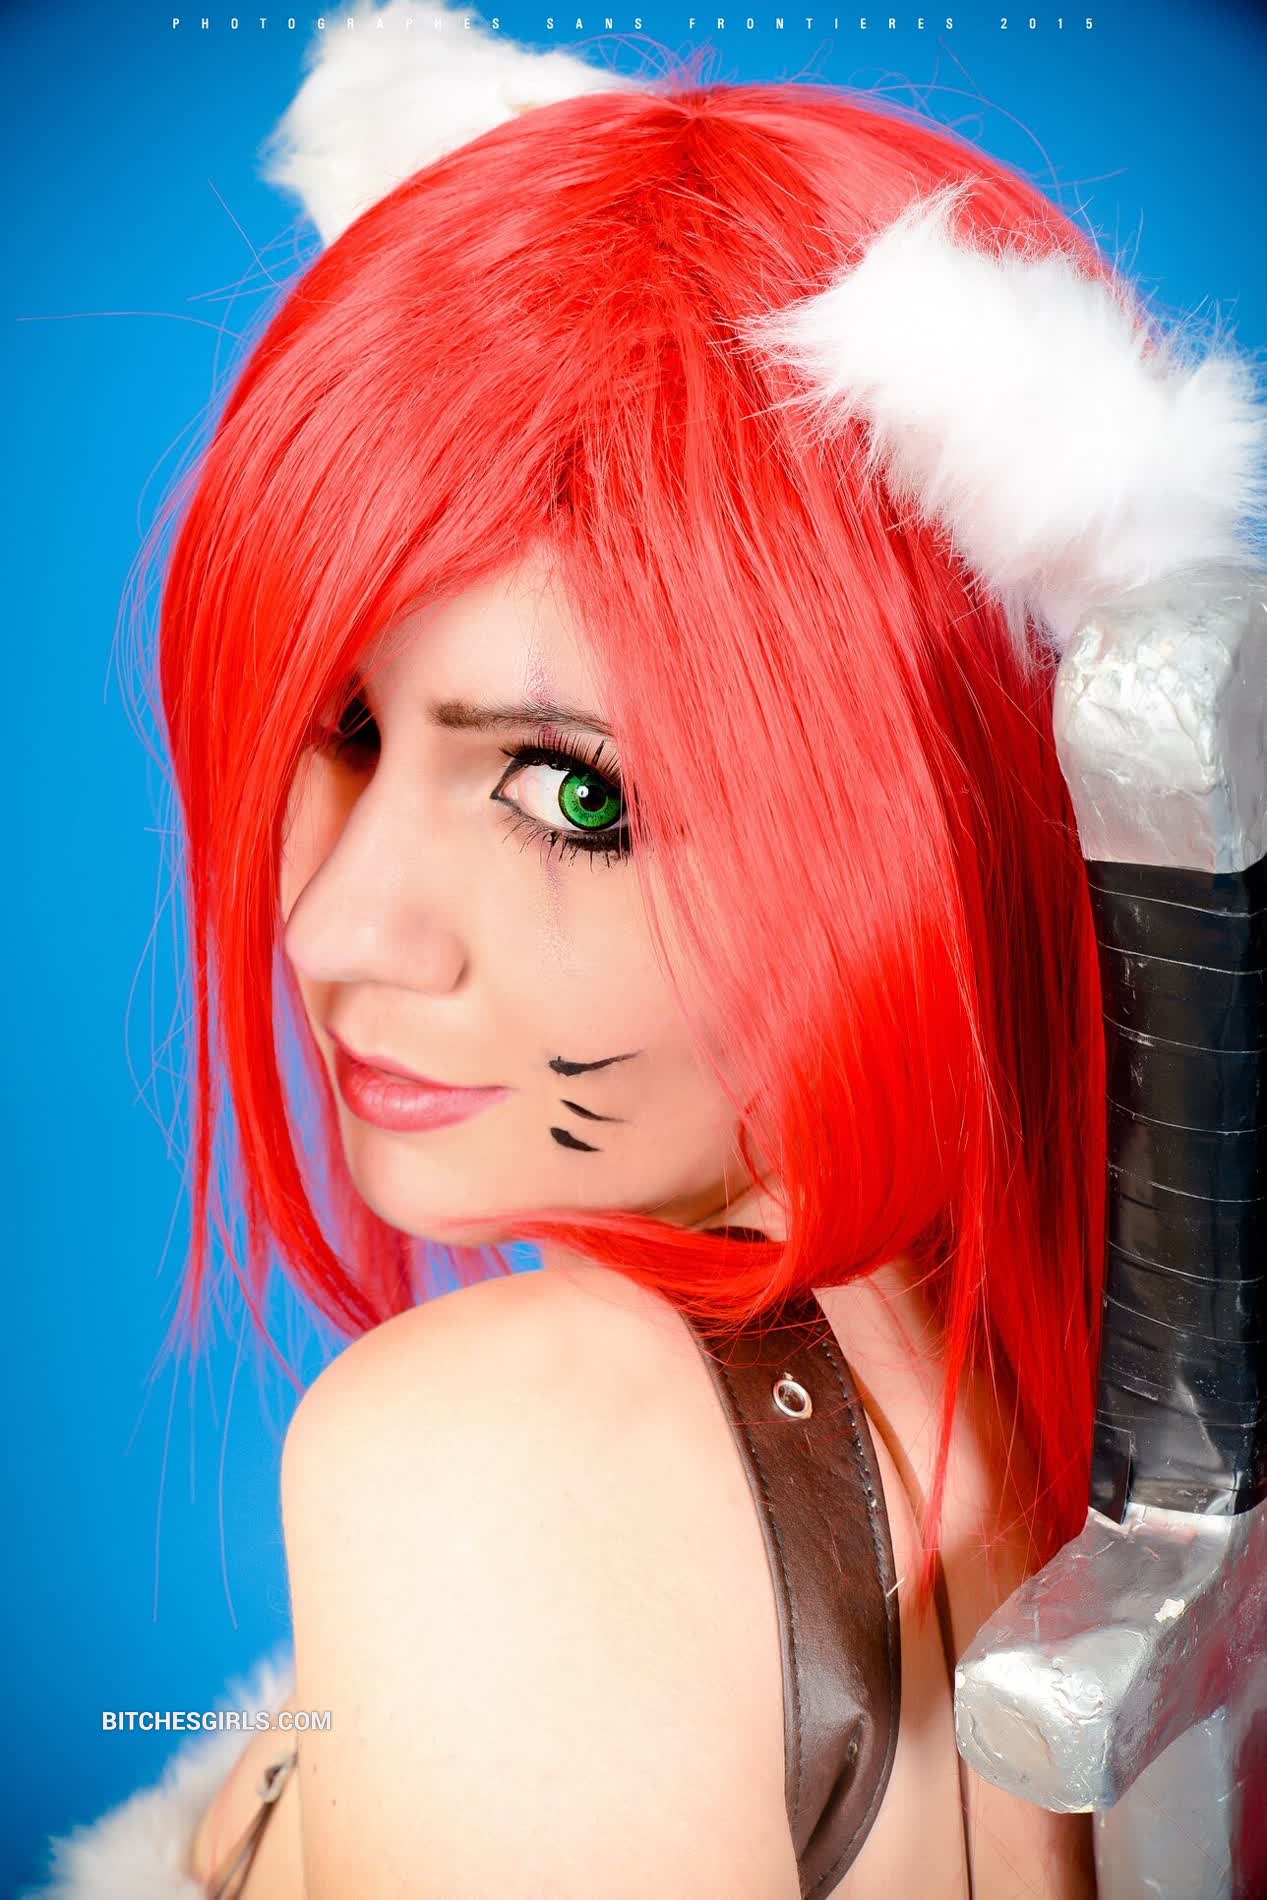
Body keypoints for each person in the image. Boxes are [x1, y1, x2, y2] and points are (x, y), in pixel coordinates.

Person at [32, 10, 1264, 1897]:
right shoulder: (1060, 1428)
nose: (344, 927)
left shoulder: (501, 1457)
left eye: (573, 794)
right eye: (340, 729)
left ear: (926, 825)